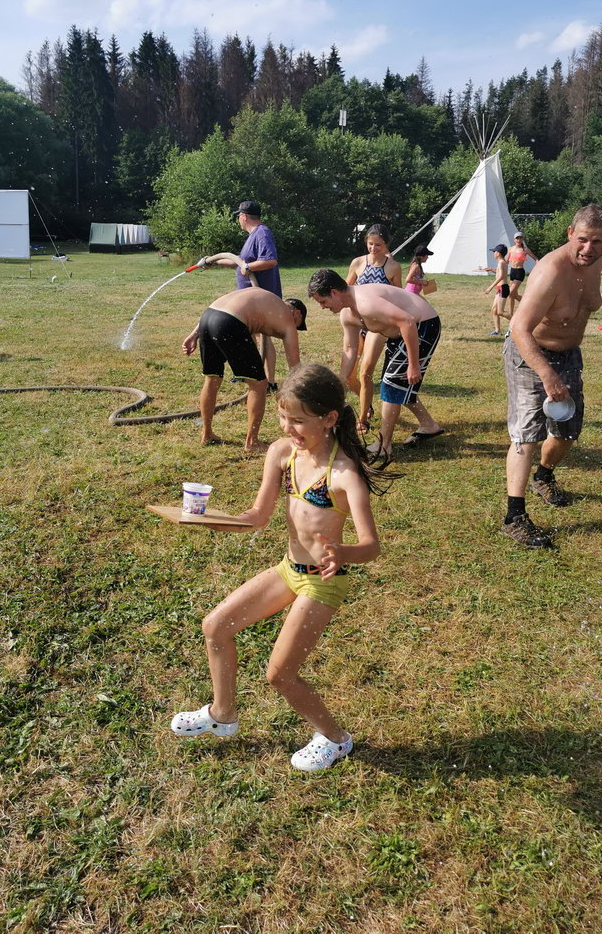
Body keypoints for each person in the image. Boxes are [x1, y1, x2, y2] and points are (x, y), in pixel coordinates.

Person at [169, 364, 388, 771]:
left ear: (329, 419)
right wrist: (212, 520)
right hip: (290, 569)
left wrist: (343, 553)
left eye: (299, 421)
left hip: (322, 583)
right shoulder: (282, 453)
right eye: (283, 417)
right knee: (216, 627)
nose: (288, 427)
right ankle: (222, 715)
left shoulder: (343, 474)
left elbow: (371, 546)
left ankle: (336, 740)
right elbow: (258, 516)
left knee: (280, 674)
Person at [501, 203, 602, 549]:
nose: (588, 248)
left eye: (597, 242)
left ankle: (544, 476)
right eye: (582, 239)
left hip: (568, 356)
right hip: (530, 354)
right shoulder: (550, 270)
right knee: (526, 435)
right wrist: (547, 374)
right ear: (570, 233)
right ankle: (514, 516)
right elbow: (519, 327)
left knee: (568, 429)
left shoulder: (595, 264)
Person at [307, 268, 443, 464]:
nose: (322, 307)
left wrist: (413, 364)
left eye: (323, 301)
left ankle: (384, 445)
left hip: (422, 325)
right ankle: (428, 425)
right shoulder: (347, 314)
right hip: (400, 332)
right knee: (396, 383)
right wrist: (341, 381)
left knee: (392, 383)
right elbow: (350, 348)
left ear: (334, 293)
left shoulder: (366, 303)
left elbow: (407, 322)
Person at [182, 287, 307, 451]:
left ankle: (207, 434)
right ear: (297, 314)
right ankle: (252, 442)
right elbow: (295, 369)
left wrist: (194, 334)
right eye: (298, 325)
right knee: (259, 385)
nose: (295, 329)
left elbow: (225, 308)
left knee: (212, 378)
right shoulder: (287, 317)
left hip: (207, 317)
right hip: (230, 322)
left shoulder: (266, 301)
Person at [212, 200, 282, 388]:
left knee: (264, 338)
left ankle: (270, 382)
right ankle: (249, 374)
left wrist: (248, 267)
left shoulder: (262, 233)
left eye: (238, 217)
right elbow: (239, 262)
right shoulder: (253, 236)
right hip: (249, 299)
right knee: (248, 336)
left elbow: (270, 260)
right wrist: (214, 261)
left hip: (261, 299)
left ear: (243, 216)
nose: (238, 220)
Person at [344, 223, 402, 434]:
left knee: (365, 372)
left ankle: (362, 420)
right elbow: (345, 289)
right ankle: (367, 404)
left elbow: (399, 297)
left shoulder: (392, 267)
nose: (373, 248)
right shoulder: (358, 263)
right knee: (349, 375)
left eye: (378, 245)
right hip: (357, 322)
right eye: (370, 244)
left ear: (386, 244)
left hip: (378, 326)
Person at [506, 232, 537, 317]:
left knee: (510, 293)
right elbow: (506, 262)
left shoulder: (525, 249)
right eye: (517, 238)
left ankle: (529, 307)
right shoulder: (510, 249)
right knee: (514, 295)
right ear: (514, 239)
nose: (519, 240)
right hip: (512, 272)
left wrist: (539, 267)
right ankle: (511, 314)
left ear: (522, 239)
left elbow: (535, 259)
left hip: (519, 272)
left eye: (520, 238)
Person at [482, 244, 510, 336]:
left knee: (500, 312)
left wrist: (490, 287)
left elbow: (501, 276)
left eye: (494, 251)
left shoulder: (501, 263)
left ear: (498, 253)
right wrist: (491, 270)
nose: (493, 253)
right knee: (494, 310)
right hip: (500, 289)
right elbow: (501, 273)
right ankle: (497, 331)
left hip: (503, 288)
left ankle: (517, 321)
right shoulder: (502, 262)